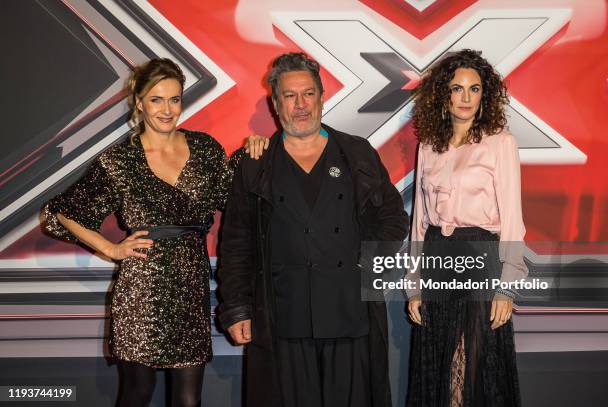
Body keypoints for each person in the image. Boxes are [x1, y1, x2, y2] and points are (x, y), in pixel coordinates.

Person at [41, 58, 266, 407]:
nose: (167, 109)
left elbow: (232, 192)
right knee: (136, 394)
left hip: (190, 286)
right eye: (157, 99)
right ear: (140, 102)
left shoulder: (205, 149)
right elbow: (62, 211)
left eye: (174, 99)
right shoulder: (119, 160)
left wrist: (253, 150)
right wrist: (109, 249)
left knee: (189, 400)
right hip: (142, 289)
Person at [217, 52, 410, 407]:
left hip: (349, 313)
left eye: (308, 94)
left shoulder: (356, 153)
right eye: (290, 96)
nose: (300, 105)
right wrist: (237, 308)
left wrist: (365, 267)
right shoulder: (255, 163)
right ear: (275, 104)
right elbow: (236, 242)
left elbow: (394, 218)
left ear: (322, 98)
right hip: (282, 319)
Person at [406, 49, 527, 407]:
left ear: (484, 95)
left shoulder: (500, 143)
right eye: (457, 88)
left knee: (472, 365)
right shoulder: (429, 145)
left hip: (480, 258)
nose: (465, 98)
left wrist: (507, 288)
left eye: (474, 89)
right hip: (436, 262)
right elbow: (419, 223)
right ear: (444, 94)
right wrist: (413, 285)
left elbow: (513, 220)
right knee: (439, 367)